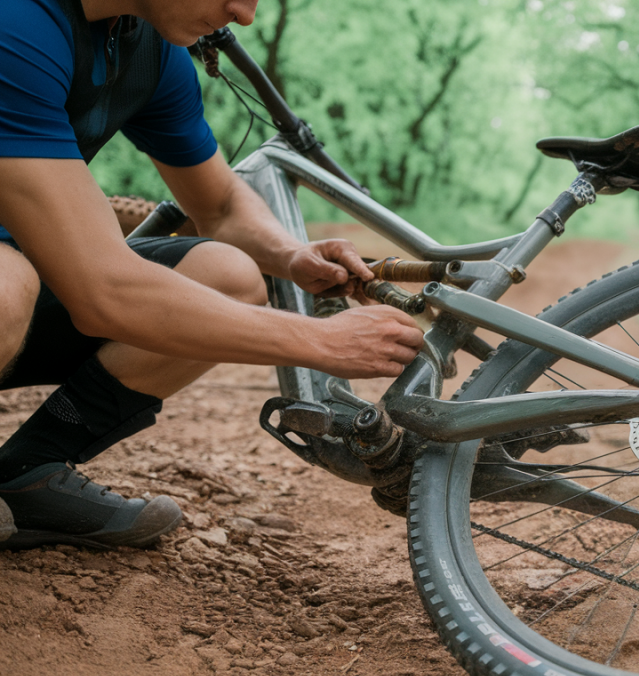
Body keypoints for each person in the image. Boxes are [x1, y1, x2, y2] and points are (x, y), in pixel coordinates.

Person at [0, 0, 425, 549]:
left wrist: (293, 256)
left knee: (227, 273)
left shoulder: (146, 46)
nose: (243, 16)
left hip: (31, 284)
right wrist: (317, 340)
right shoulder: (17, 26)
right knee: (7, 287)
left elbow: (221, 206)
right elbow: (103, 291)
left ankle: (25, 477)